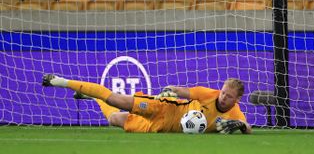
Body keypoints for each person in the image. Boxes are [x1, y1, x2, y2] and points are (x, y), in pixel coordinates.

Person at [42, 74, 252, 134]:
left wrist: (242, 127)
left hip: (160, 127)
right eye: (224, 92)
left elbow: (248, 127)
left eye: (228, 96)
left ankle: (95, 98)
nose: (223, 97)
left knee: (113, 118)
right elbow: (179, 90)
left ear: (237, 100)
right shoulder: (208, 94)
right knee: (116, 99)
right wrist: (170, 91)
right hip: (163, 107)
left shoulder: (235, 113)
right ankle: (61, 81)